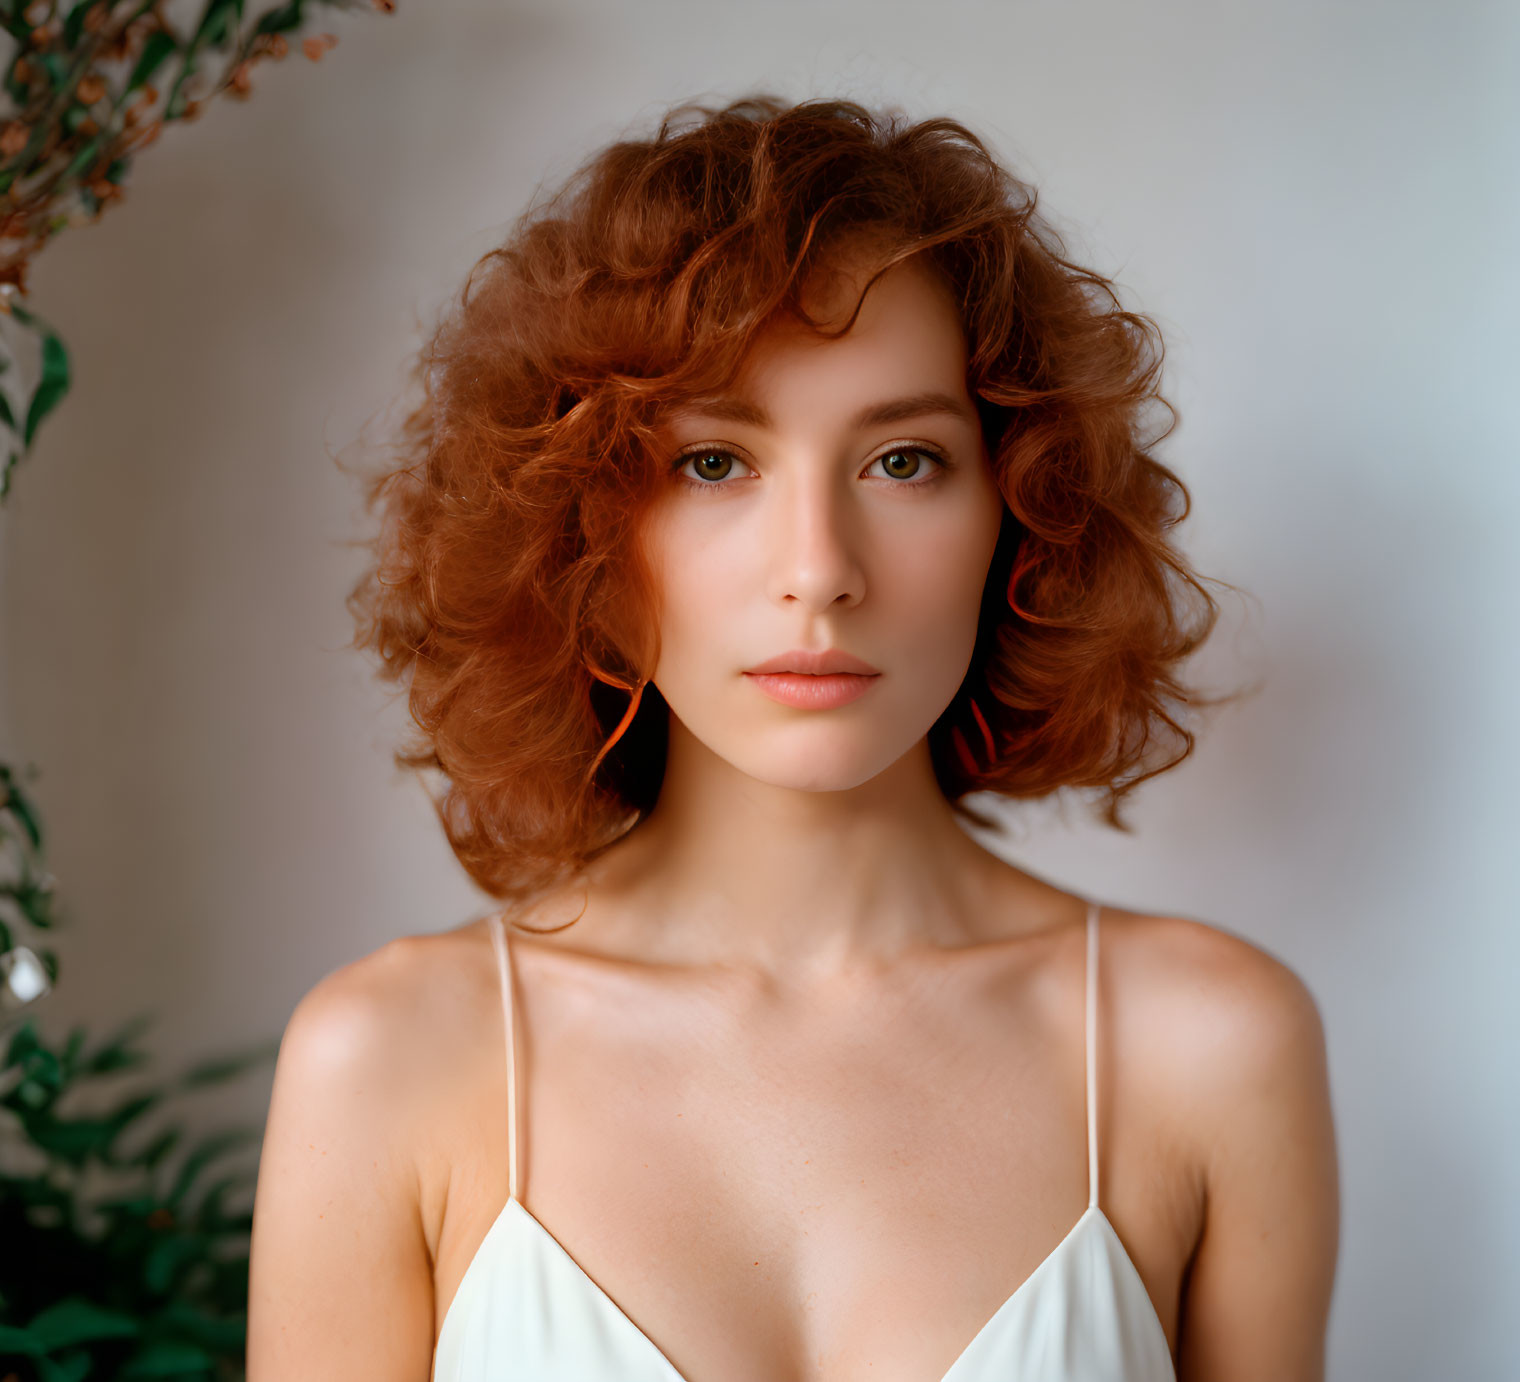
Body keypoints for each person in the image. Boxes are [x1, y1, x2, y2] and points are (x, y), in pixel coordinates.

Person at [247, 96, 1339, 1381]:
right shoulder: (390, 1059)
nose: (817, 571)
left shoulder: (1205, 1045)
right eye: (713, 462)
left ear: (1023, 511)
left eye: (903, 461)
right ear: (584, 524)